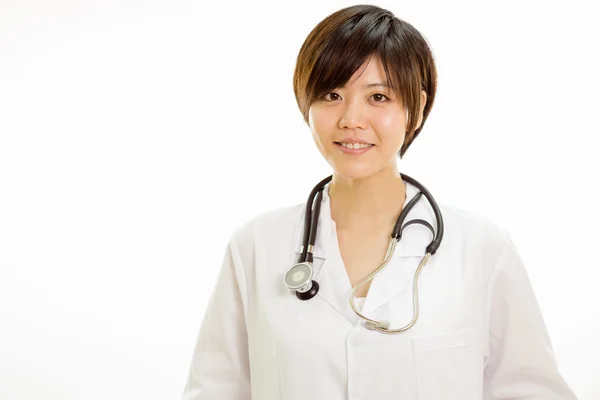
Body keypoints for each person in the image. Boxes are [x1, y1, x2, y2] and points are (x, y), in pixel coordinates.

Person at [181, 4, 578, 399]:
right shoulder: (255, 247)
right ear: (306, 104)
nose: (351, 119)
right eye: (332, 94)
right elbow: (215, 390)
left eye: (379, 97)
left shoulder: (482, 250)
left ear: (417, 109)